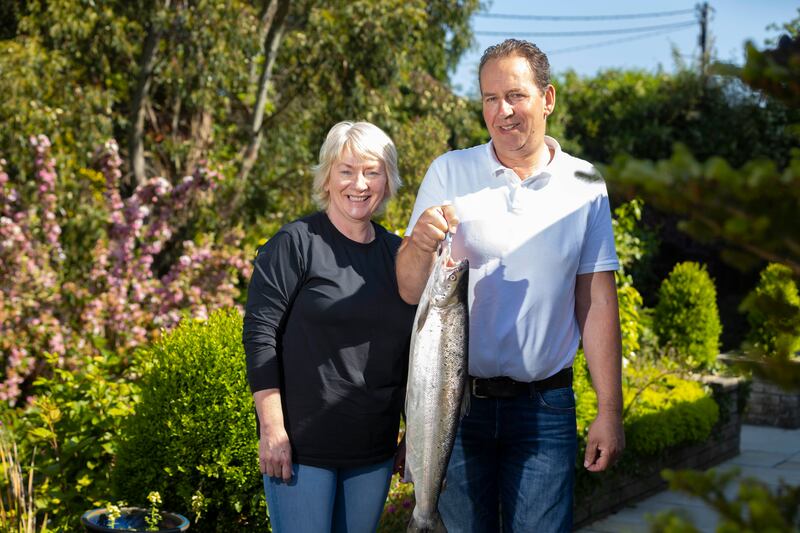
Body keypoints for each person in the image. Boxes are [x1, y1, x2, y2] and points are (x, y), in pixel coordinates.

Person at [396, 39, 625, 532]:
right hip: (454, 407)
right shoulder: (449, 171)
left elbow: (598, 302)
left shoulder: (585, 183)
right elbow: (410, 290)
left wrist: (610, 411)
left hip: (545, 408)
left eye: (516, 95)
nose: (502, 111)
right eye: (489, 98)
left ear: (548, 98)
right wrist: (417, 244)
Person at [243, 121, 417, 532]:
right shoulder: (295, 243)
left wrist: (416, 434)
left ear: (387, 179)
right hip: (302, 449)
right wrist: (272, 430)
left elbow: (415, 352)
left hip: (373, 451)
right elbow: (259, 336)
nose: (359, 184)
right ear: (327, 176)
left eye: (372, 171)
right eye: (346, 170)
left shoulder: (399, 257)